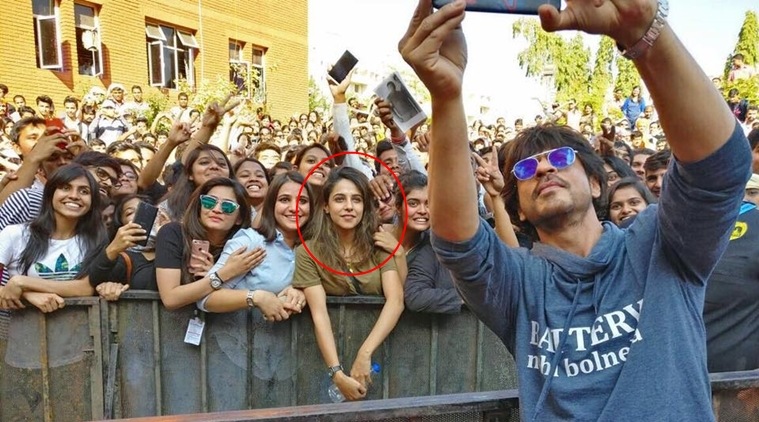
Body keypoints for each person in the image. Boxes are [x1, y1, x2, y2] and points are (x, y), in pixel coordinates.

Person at [399, 1, 750, 421]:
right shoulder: (519, 284)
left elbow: (720, 167)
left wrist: (644, 35)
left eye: (561, 157)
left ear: (597, 183)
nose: (544, 168)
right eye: (525, 169)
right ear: (519, 211)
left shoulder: (661, 244)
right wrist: (445, 95)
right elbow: (456, 241)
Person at [0, 164, 106, 421]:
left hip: (75, 350)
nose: (74, 196)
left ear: (92, 201)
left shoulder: (95, 240)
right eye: (65, 188)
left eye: (84, 191)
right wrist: (28, 295)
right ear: (50, 193)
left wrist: (22, 282)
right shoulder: (16, 234)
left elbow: (84, 288)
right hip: (15, 344)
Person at [292, 167, 403, 401]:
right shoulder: (307, 252)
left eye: (357, 200)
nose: (349, 207)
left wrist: (364, 354)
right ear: (326, 206)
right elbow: (319, 314)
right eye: (340, 199)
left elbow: (396, 301)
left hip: (386, 352)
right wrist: (337, 373)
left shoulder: (379, 244)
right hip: (325, 359)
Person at [198, 172, 313, 317]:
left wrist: (300, 290)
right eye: (284, 200)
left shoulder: (313, 247)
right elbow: (205, 298)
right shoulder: (250, 242)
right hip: (234, 330)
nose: (294, 208)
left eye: (302, 201)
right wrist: (255, 297)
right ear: (271, 204)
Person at [155, 177, 258, 310]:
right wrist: (223, 273)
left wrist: (212, 273)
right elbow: (170, 298)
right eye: (209, 202)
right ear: (199, 208)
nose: (217, 209)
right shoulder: (173, 233)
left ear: (239, 218)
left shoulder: (243, 246)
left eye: (227, 206)